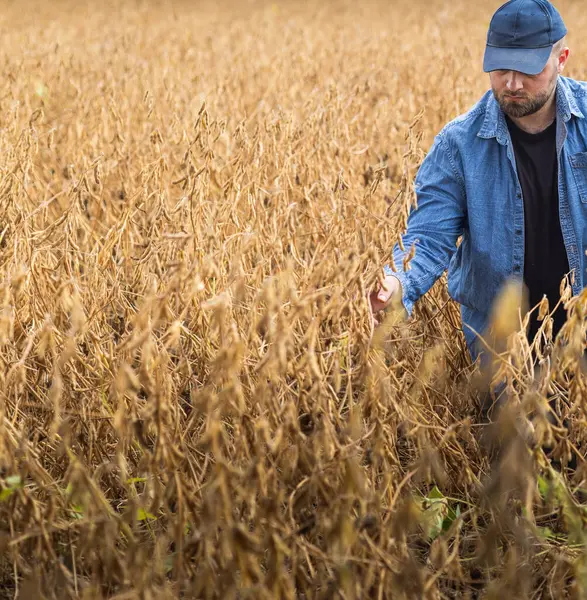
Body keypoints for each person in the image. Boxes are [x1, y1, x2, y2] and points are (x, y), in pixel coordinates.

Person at [370, 0, 586, 369]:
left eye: (527, 69)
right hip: (500, 344)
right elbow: (427, 237)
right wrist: (395, 284)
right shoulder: (459, 143)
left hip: (581, 329)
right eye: (500, 68)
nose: (512, 83)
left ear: (561, 58)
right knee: (520, 427)